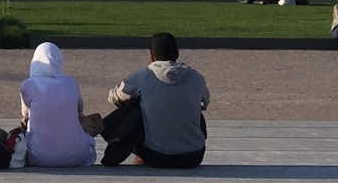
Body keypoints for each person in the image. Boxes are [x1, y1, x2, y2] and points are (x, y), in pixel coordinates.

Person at [100, 32, 209, 169]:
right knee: (192, 108)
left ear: (152, 55)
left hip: (157, 156)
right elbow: (205, 102)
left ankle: (115, 153)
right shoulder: (196, 77)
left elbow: (114, 98)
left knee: (135, 107)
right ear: (177, 53)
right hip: (193, 157)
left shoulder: (143, 76)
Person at [18, 42, 97, 167]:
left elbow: (25, 114)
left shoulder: (28, 84)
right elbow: (80, 110)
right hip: (76, 156)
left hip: (39, 157)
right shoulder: (71, 82)